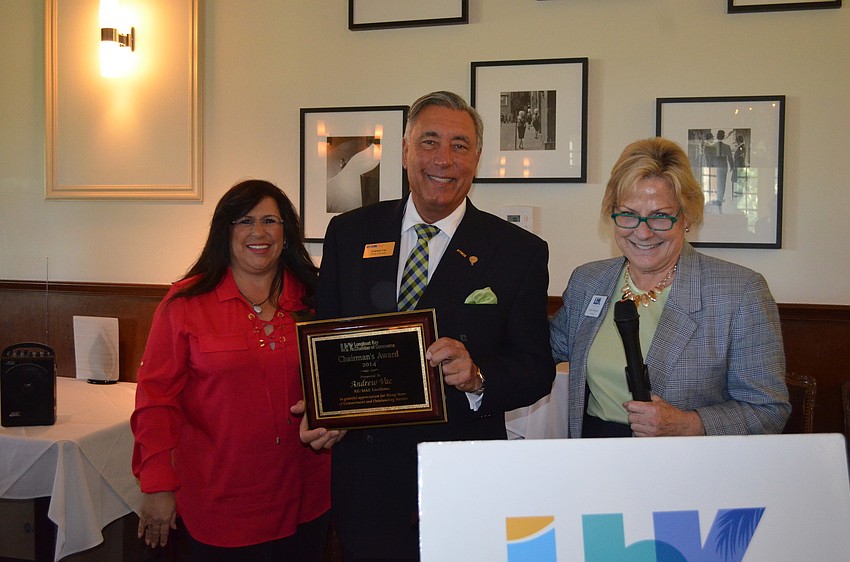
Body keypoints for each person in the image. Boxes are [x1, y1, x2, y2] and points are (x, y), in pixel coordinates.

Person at [297, 91, 555, 560]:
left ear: (478, 158)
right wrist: (323, 410)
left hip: (462, 471)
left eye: (460, 145)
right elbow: (326, 340)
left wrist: (478, 377)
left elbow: (536, 368)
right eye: (429, 141)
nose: (443, 159)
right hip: (366, 476)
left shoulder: (518, 251)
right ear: (404, 150)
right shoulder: (349, 233)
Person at [131, 180, 331, 561]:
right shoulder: (185, 304)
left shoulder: (316, 297)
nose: (259, 232)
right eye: (245, 221)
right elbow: (155, 401)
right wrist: (157, 484)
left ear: (286, 233)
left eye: (270, 220)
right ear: (225, 231)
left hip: (307, 498)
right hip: (220, 502)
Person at [550, 137, 789, 438]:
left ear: (686, 216)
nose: (643, 232)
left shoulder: (739, 292)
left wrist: (688, 424)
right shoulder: (589, 281)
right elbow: (541, 349)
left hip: (688, 467)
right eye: (628, 214)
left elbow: (769, 410)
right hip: (594, 457)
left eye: (660, 216)